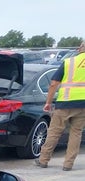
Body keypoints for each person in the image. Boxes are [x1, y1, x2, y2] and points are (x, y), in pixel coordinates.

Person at [36, 40, 85, 171]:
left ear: (80, 48)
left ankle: (43, 160)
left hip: (65, 103)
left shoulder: (69, 62)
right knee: (76, 133)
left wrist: (48, 102)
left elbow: (53, 83)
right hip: (83, 106)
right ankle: (68, 164)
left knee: (54, 132)